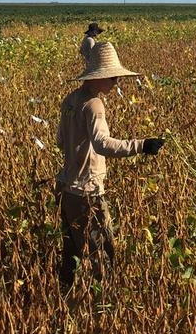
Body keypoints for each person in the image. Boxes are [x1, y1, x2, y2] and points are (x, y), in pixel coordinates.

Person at [55, 41, 165, 289]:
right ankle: (102, 304)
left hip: (65, 189)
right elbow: (103, 144)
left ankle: (64, 300)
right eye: (113, 77)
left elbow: (60, 141)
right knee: (102, 253)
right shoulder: (94, 104)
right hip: (87, 191)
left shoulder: (70, 100)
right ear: (99, 77)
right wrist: (142, 145)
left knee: (70, 253)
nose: (117, 82)